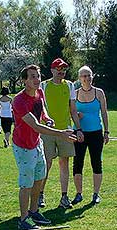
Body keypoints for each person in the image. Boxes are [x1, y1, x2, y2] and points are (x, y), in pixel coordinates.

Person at [12, 65, 76, 230]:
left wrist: (47, 118)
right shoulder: (18, 101)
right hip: (24, 146)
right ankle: (24, 219)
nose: (36, 80)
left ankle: (34, 211)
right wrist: (60, 133)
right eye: (32, 76)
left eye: (38, 76)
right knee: (26, 183)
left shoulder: (39, 92)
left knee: (39, 178)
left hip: (37, 143)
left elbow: (42, 111)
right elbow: (35, 125)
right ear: (24, 80)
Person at [38, 58, 84, 209]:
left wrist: (78, 129)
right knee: (47, 163)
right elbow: (40, 108)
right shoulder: (43, 85)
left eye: (63, 69)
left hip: (66, 130)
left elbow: (72, 109)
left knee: (64, 163)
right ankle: (40, 194)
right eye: (58, 69)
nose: (61, 72)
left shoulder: (70, 85)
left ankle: (64, 197)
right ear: (52, 70)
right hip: (48, 131)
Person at [72, 65, 109, 205]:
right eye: (83, 76)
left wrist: (106, 131)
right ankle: (78, 193)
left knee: (96, 162)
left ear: (92, 77)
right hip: (79, 133)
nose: (86, 78)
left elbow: (104, 113)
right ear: (79, 78)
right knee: (78, 163)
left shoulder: (99, 93)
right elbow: (71, 113)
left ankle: (96, 194)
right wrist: (76, 117)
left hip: (96, 133)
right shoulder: (74, 94)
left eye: (88, 75)